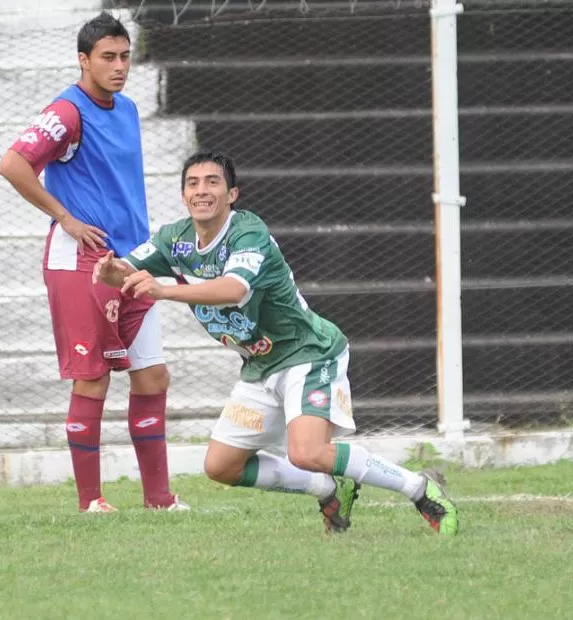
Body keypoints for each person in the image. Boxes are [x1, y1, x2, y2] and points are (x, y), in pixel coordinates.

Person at [94, 151, 459, 535]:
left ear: (232, 193)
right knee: (221, 467)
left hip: (308, 353)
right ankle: (329, 488)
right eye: (193, 183)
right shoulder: (175, 239)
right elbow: (125, 272)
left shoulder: (248, 232)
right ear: (184, 195)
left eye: (212, 182)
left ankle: (420, 488)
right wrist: (109, 271)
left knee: (308, 452)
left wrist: (164, 292)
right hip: (260, 365)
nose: (202, 190)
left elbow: (235, 289)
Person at [0, 12, 185, 513]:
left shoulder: (124, 109)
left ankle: (159, 499)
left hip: (131, 261)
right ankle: (91, 501)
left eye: (125, 56)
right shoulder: (67, 111)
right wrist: (67, 218)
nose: (119, 66)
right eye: (108, 57)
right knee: (93, 378)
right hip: (80, 262)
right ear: (84, 60)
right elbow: (12, 164)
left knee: (152, 377)